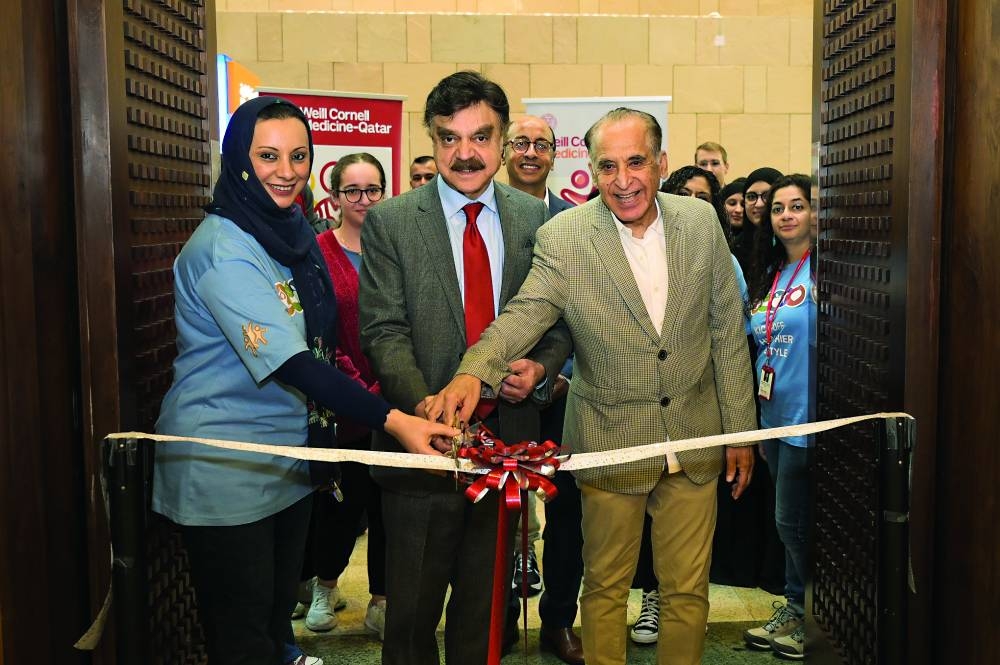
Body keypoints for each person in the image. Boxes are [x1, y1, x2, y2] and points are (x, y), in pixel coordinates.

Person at [428, 107, 758, 665]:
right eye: (608, 166)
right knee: (604, 588)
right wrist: (473, 370)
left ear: (661, 164)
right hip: (609, 441)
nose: (622, 180)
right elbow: (525, 313)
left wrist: (740, 433)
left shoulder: (701, 223)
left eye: (636, 163)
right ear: (592, 169)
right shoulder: (565, 236)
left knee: (686, 590)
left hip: (695, 438)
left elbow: (726, 331)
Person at [151, 96, 456, 665]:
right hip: (226, 466)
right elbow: (293, 362)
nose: (287, 171)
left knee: (275, 623)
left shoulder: (288, 235)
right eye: (267, 155)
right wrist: (396, 421)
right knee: (242, 635)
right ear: (239, 159)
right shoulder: (224, 250)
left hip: (285, 458)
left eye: (298, 155)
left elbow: (330, 337)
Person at [358, 71, 572, 665]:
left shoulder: (538, 223)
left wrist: (540, 368)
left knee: (485, 622)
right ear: (430, 140)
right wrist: (430, 409)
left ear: (503, 143)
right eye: (449, 138)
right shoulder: (392, 222)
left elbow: (555, 324)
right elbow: (382, 330)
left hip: (507, 454)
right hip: (422, 451)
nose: (465, 153)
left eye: (480, 137)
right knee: (411, 621)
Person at [502, 114, 583, 664]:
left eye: (542, 145)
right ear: (506, 151)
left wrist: (562, 372)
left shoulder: (577, 222)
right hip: (500, 395)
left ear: (556, 156)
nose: (531, 152)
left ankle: (557, 620)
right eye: (521, 142)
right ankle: (499, 620)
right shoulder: (482, 215)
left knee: (569, 517)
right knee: (498, 513)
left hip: (564, 395)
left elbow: (588, 310)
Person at [299, 153, 390, 639]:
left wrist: (388, 392)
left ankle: (381, 598)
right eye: (351, 190)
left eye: (372, 189)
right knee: (340, 505)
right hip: (342, 403)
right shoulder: (317, 253)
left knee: (386, 508)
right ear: (333, 197)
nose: (363, 200)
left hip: (396, 405)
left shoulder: (396, 249)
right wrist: (362, 393)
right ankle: (325, 585)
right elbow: (320, 333)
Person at [742, 174, 817, 661]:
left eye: (797, 206)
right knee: (787, 519)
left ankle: (813, 615)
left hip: (808, 416)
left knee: (793, 522)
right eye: (777, 208)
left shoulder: (826, 271)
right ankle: (795, 606)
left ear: (815, 213)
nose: (786, 215)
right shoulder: (770, 272)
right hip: (772, 414)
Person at [733, 167, 783, 273]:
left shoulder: (792, 245)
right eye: (751, 197)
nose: (759, 204)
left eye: (767, 195)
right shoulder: (735, 249)